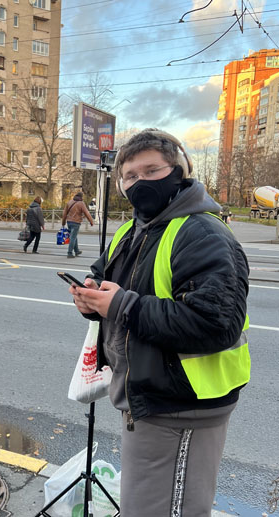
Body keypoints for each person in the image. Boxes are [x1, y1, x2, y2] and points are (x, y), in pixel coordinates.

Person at [68, 129, 250, 516]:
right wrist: (91, 297)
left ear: (179, 171)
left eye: (151, 171)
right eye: (130, 176)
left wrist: (120, 306)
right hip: (149, 401)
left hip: (185, 409)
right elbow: (104, 278)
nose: (140, 183)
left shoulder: (202, 232)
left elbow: (215, 325)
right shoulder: (132, 230)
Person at [61, 192, 94, 258]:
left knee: (74, 236)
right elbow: (87, 213)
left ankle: (77, 251)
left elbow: (64, 213)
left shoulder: (69, 202)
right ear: (81, 197)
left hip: (69, 222)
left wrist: (63, 222)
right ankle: (69, 253)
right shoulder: (81, 203)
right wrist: (91, 221)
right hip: (76, 222)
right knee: (73, 237)